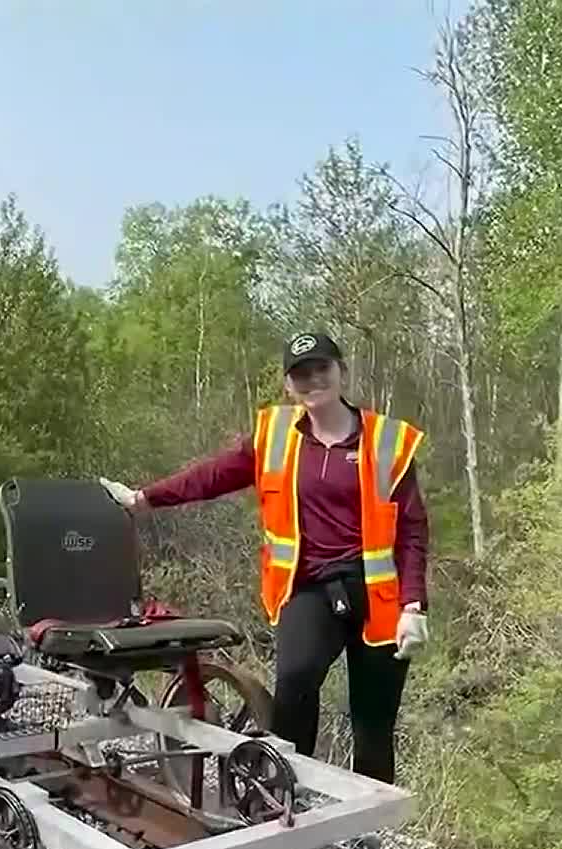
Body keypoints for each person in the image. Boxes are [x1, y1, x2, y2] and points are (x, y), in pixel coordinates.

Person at [101, 331, 429, 785]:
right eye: (301, 374)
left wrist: (414, 604)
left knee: (373, 721)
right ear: (288, 385)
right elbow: (211, 476)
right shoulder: (276, 434)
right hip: (309, 586)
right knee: (294, 686)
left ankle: (365, 832)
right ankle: (286, 800)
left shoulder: (387, 440)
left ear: (341, 371)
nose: (313, 380)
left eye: (322, 369)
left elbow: (412, 529)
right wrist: (145, 499)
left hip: (379, 594)